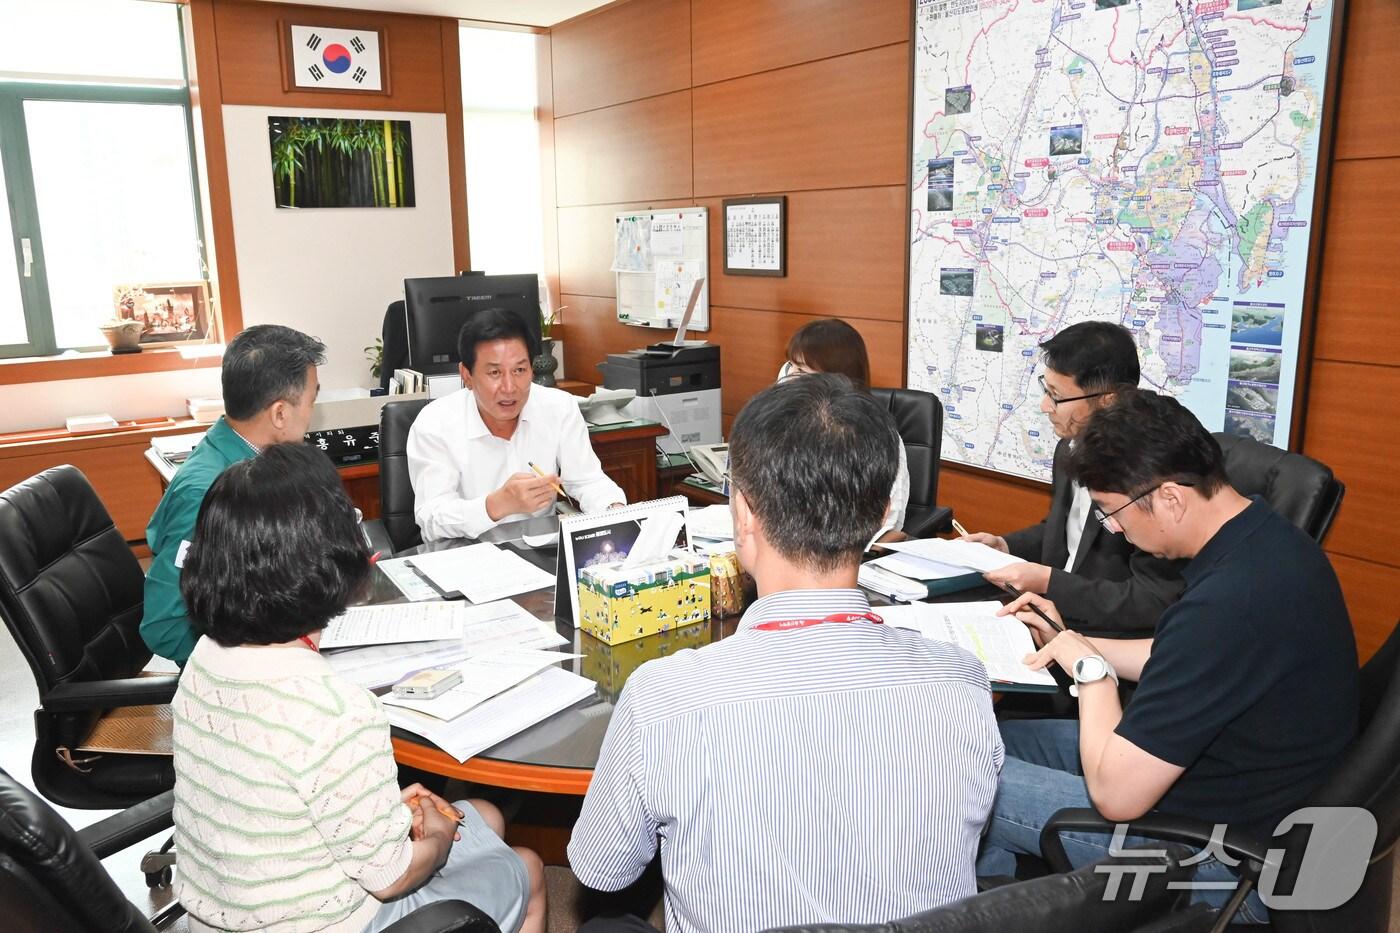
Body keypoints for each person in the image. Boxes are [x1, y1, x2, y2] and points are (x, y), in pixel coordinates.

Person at [569, 374, 1003, 932]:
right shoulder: (962, 681)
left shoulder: (664, 697)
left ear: (743, 513)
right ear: (880, 517)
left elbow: (602, 869)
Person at [978, 390, 1358, 923]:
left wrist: (1092, 676)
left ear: (1172, 498)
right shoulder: (1269, 544)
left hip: (1209, 857)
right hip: (1235, 790)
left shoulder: (1228, 605)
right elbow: (1180, 655)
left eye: (1112, 513)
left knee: (953, 769)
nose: (1115, 531)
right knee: (982, 736)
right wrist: (1075, 643)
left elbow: (1116, 797)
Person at [172, 443, 546, 933]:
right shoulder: (337, 710)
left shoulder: (204, 658)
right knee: (528, 867)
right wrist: (432, 838)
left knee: (486, 816)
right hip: (333, 923)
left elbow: (277, 790)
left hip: (222, 913)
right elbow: (390, 879)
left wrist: (390, 814)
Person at [961, 321, 1185, 634]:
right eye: (1045, 390)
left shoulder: (1147, 471)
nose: (1045, 406)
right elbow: (1065, 531)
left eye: (1056, 396)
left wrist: (1051, 583)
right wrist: (1004, 545)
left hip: (1108, 634)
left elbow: (1151, 600)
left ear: (1108, 400)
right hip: (1050, 614)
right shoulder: (1069, 446)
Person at [141, 324, 325, 665]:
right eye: (312, 401)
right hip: (236, 677)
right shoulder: (208, 493)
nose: (312, 414)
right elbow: (164, 625)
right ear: (280, 413)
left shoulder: (258, 463)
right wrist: (263, 652)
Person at [407, 307, 624, 542]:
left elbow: (588, 481)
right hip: (466, 556)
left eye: (519, 370)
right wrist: (496, 505)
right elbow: (431, 520)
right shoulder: (434, 424)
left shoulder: (558, 407)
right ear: (466, 375)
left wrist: (614, 509)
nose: (510, 387)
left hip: (542, 554)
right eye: (494, 372)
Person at [779, 318, 911, 541]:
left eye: (800, 371)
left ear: (835, 378)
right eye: (789, 366)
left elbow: (888, 523)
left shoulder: (877, 437)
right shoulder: (788, 423)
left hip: (847, 556)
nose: (789, 378)